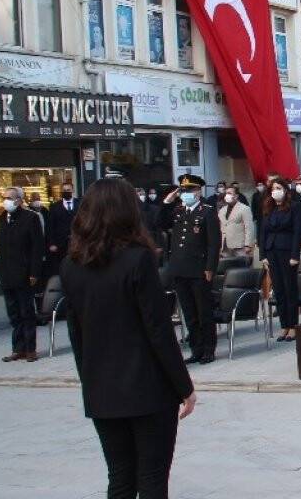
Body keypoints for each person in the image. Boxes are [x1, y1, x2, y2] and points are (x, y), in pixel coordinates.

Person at [60, 178, 197, 498]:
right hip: (147, 387)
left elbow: (76, 333)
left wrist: (89, 381)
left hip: (102, 389)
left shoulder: (70, 265)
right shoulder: (138, 259)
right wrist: (184, 386)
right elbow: (158, 329)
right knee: (151, 478)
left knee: (120, 478)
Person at [157, 174, 221, 364]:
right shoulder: (178, 211)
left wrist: (210, 267)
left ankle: (209, 349)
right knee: (189, 314)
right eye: (183, 191)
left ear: (198, 192)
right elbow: (160, 223)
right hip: (179, 269)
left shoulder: (207, 212)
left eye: (190, 191)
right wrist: (167, 202)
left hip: (199, 269)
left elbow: (213, 244)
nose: (186, 194)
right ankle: (196, 349)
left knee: (203, 313)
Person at [0, 187, 44, 362]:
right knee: (14, 313)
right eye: (5, 197)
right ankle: (18, 348)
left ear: (19, 200)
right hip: (7, 274)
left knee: (26, 312)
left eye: (9, 198)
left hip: (24, 273)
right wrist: (0, 273)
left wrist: (34, 272)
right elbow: (1, 248)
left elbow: (37, 247)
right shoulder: (2, 218)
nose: (6, 200)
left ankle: (30, 348)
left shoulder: (30, 218)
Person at [261, 179, 301, 341]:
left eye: (278, 188)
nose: (275, 191)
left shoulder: (294, 206)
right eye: (272, 189)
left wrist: (295, 255)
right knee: (278, 289)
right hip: (272, 251)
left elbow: (297, 231)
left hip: (287, 251)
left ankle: (293, 326)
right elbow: (262, 232)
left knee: (289, 288)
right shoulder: (268, 207)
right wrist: (263, 255)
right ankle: (284, 325)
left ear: (286, 190)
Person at [46, 182, 80, 276]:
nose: (66, 192)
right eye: (64, 190)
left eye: (68, 190)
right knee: (62, 267)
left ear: (72, 190)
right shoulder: (54, 207)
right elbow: (50, 226)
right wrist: (52, 243)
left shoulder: (81, 204)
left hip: (77, 242)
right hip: (60, 244)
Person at [217, 185, 256, 259]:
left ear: (236, 196)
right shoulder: (222, 210)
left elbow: (249, 228)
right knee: (226, 269)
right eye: (226, 194)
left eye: (229, 193)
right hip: (225, 247)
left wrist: (248, 245)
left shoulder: (244, 208)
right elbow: (220, 227)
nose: (227, 196)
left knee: (241, 269)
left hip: (240, 247)